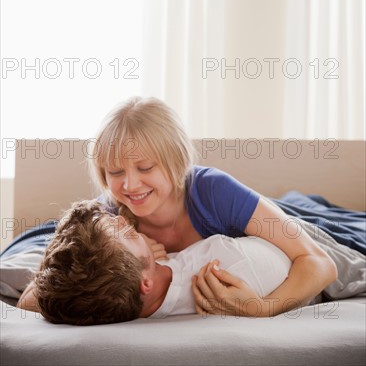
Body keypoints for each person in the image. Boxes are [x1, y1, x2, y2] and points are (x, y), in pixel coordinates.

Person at [18, 96, 366, 317]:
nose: (130, 185)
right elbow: (33, 299)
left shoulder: (213, 191)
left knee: (322, 222)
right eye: (115, 172)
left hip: (287, 222)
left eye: (145, 168)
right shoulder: (111, 218)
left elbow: (318, 262)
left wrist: (262, 308)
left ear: (176, 162)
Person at [19, 200, 365, 325]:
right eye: (126, 233)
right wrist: (264, 310)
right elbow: (317, 263)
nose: (126, 218)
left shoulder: (117, 297)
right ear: (145, 283)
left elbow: (31, 300)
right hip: (315, 240)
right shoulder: (231, 267)